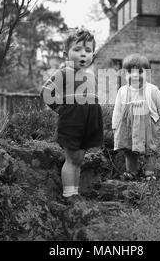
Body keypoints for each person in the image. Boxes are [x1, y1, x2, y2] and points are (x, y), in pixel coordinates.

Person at [41, 29, 103, 203]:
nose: (83, 54)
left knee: (79, 158)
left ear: (93, 55)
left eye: (88, 50)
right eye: (77, 49)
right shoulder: (63, 73)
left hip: (89, 121)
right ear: (65, 54)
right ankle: (69, 195)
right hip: (73, 120)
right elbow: (46, 92)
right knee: (71, 158)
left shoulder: (90, 76)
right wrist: (61, 109)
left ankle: (75, 192)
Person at [112, 53, 160, 181]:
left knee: (151, 150)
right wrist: (115, 125)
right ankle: (131, 171)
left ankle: (149, 173)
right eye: (129, 72)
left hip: (149, 126)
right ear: (124, 74)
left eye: (139, 72)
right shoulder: (122, 91)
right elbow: (117, 110)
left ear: (147, 73)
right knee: (129, 150)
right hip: (129, 126)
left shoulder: (152, 90)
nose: (134, 75)